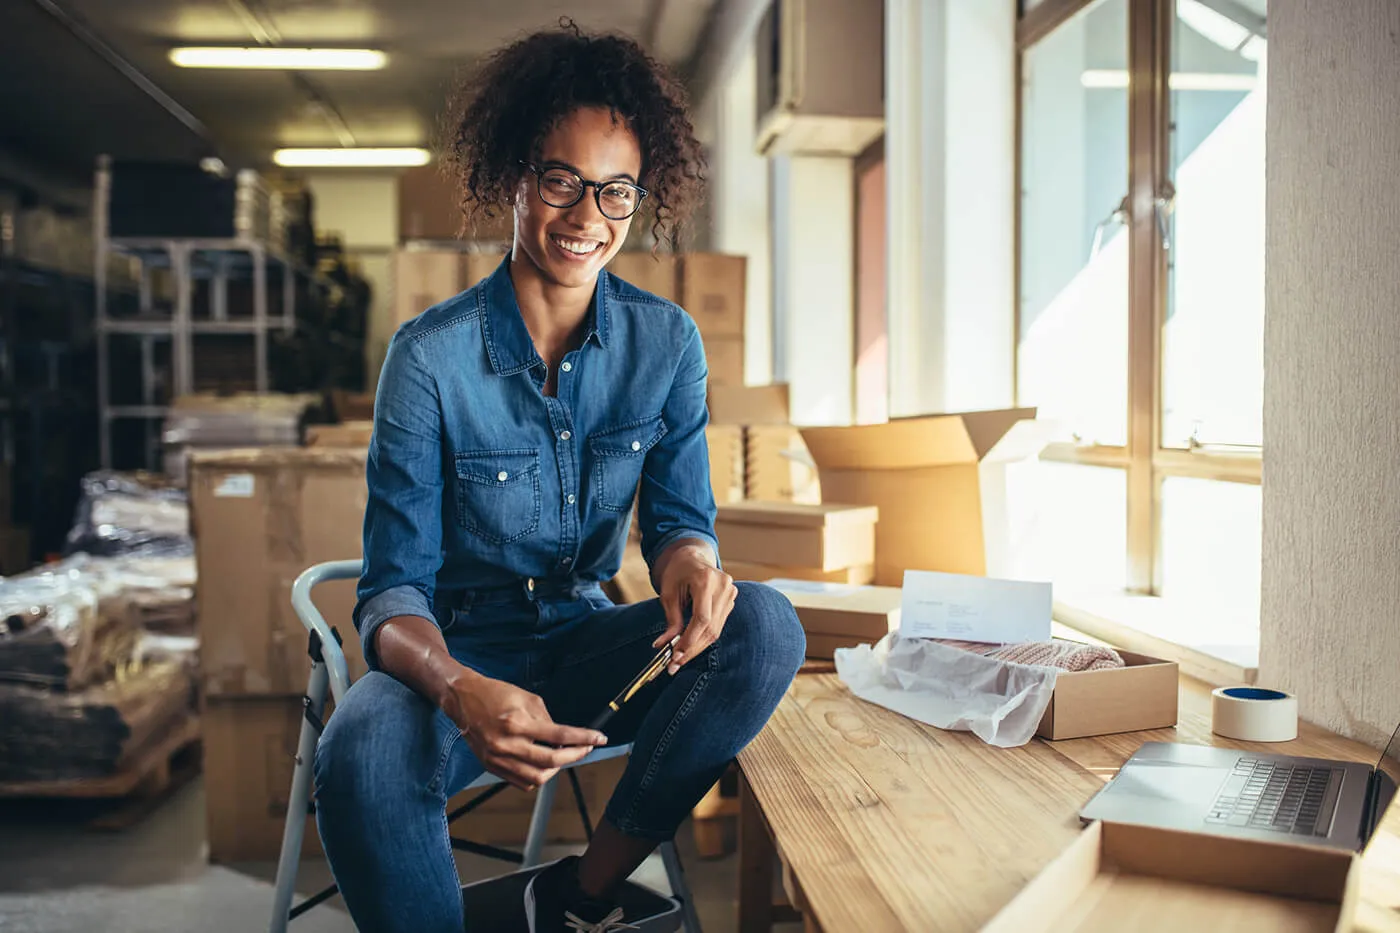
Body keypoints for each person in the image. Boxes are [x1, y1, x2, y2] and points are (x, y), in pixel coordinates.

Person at [312, 19, 807, 933]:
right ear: (511, 177)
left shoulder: (668, 344)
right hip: (458, 652)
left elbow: (679, 521)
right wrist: (461, 688)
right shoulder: (430, 359)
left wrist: (692, 565)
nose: (588, 218)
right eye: (560, 182)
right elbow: (390, 594)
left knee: (765, 626)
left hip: (584, 642)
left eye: (616, 191)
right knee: (361, 753)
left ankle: (579, 898)